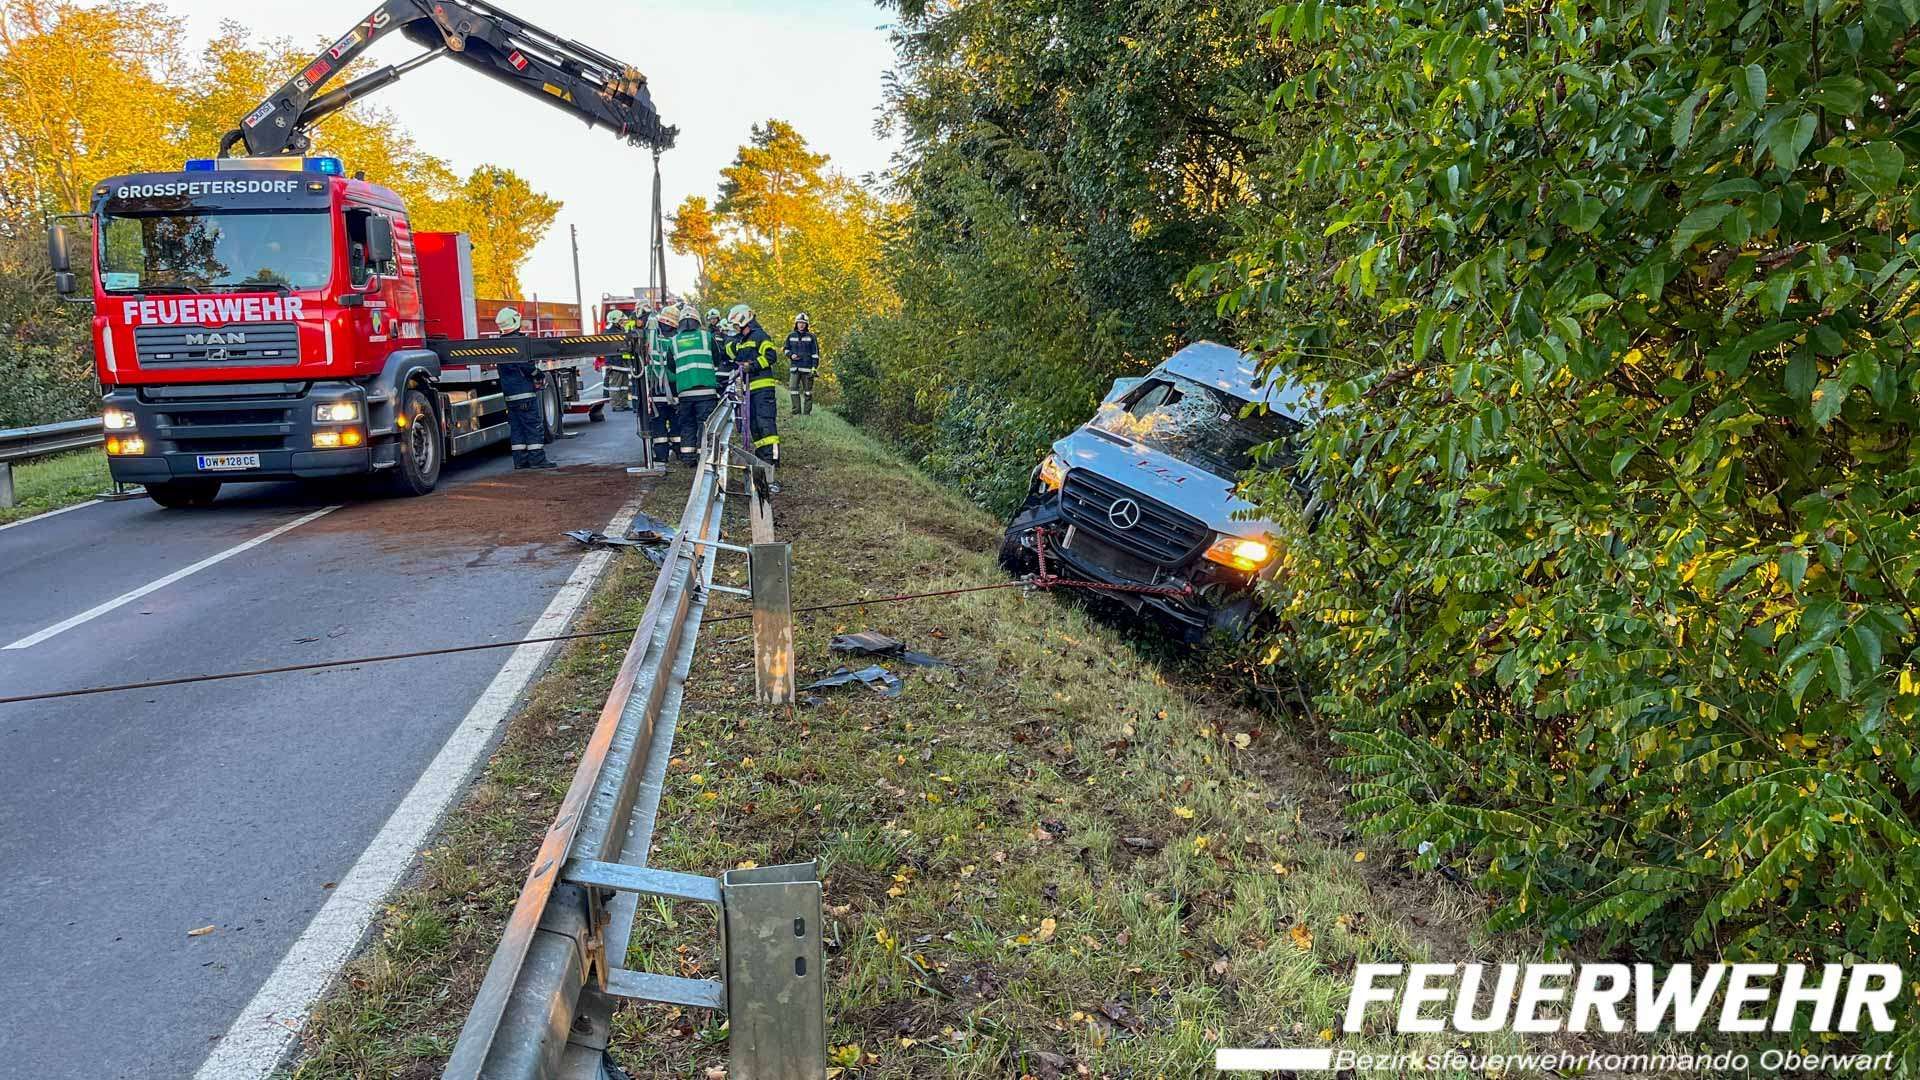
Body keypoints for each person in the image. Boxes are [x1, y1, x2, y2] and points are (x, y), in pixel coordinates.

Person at [495, 307, 556, 470]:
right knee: (532, 426)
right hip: (524, 394)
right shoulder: (518, 343)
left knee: (517, 429)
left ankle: (520, 461)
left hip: (510, 395)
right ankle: (537, 459)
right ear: (515, 321)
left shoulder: (498, 343)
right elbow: (526, 366)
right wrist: (539, 375)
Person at [726, 303, 782, 464]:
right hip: (750, 389)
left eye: (737, 325)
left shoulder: (760, 336)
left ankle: (772, 458)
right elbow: (732, 354)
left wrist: (753, 366)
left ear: (745, 320)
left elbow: (771, 356)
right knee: (754, 424)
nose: (735, 328)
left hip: (763, 388)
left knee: (765, 423)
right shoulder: (743, 340)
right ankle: (762, 456)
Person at [668, 304, 721, 463]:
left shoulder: (674, 341)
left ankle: (688, 458)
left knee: (687, 425)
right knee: (705, 426)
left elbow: (671, 366)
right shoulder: (706, 337)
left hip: (684, 393)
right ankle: (703, 456)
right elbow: (717, 358)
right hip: (706, 392)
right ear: (697, 320)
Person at [641, 304, 678, 465]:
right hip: (675, 386)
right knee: (677, 420)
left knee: (658, 421)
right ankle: (679, 452)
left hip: (655, 386)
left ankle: (661, 455)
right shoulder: (677, 339)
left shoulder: (651, 336)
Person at [784, 312, 820, 415]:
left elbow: (815, 354)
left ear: (806, 325)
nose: (801, 325)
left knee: (808, 392)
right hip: (795, 368)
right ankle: (796, 411)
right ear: (796, 323)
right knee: (793, 389)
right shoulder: (790, 336)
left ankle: (806, 413)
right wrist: (791, 355)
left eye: (803, 323)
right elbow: (786, 349)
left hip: (808, 369)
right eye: (799, 323)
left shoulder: (811, 337)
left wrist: (814, 367)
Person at [603, 308, 634, 412]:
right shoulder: (610, 332)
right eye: (621, 321)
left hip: (621, 362)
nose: (622, 323)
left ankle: (624, 403)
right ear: (615, 321)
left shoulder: (619, 331)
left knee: (624, 385)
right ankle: (616, 405)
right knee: (616, 385)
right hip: (614, 363)